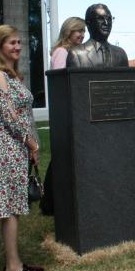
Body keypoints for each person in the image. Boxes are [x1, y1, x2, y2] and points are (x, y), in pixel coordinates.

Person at [0, 24, 44, 271]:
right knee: (9, 207)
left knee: (15, 206)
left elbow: (22, 115)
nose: (18, 47)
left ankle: (15, 261)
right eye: (12, 43)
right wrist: (30, 142)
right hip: (7, 146)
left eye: (19, 42)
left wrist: (31, 145)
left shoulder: (12, 76)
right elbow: (10, 116)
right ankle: (12, 267)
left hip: (18, 146)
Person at [42, 16, 86, 215]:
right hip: (67, 112)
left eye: (83, 31)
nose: (82, 35)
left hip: (74, 111)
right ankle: (51, 202)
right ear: (69, 31)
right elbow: (62, 83)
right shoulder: (62, 52)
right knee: (62, 159)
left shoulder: (72, 51)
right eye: (79, 31)